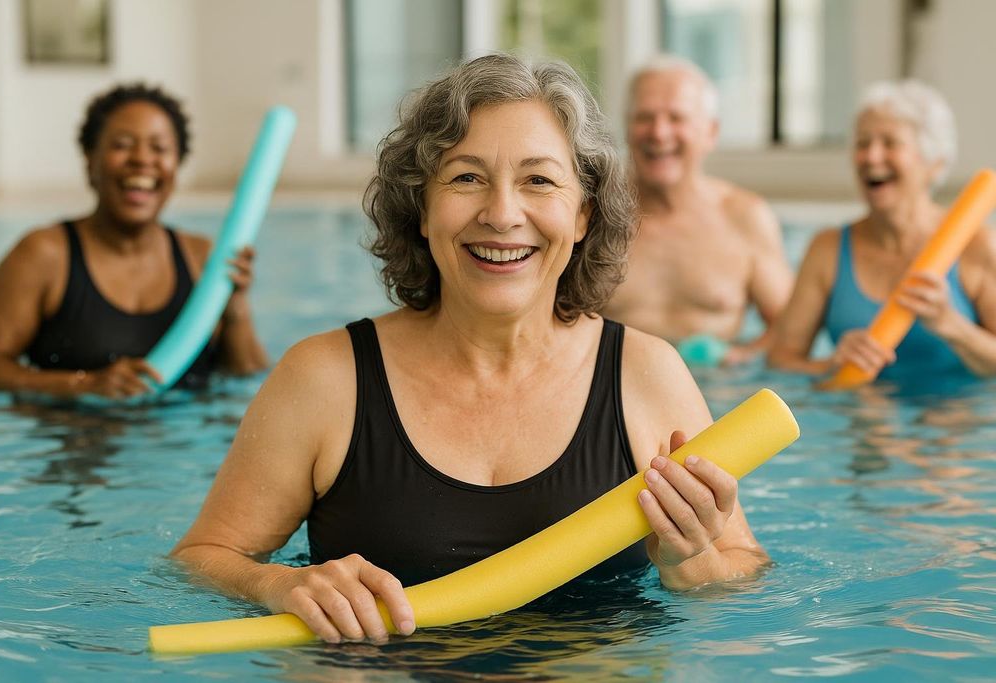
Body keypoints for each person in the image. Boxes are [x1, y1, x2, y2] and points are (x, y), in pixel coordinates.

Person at [171, 54, 769, 645]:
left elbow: (744, 575)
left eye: (538, 180)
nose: (502, 213)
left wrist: (690, 563)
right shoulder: (326, 378)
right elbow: (201, 559)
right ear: (422, 209)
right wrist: (277, 584)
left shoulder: (646, 374)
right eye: (466, 177)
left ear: (583, 213)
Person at [0, 83, 268, 398]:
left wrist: (236, 308)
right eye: (122, 145)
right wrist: (83, 385)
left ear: (176, 166)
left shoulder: (202, 257)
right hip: (76, 440)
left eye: (159, 148)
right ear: (90, 161)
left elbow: (246, 378)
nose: (142, 159)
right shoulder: (45, 255)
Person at [768, 80, 996, 379]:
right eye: (863, 143)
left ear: (934, 164)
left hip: (956, 422)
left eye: (890, 143)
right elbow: (780, 362)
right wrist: (830, 366)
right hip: (861, 422)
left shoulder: (977, 245)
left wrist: (950, 324)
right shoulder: (827, 249)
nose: (871, 157)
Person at [601, 55, 793, 365]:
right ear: (626, 127)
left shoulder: (744, 217)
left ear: (711, 132)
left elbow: (792, 329)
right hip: (615, 396)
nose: (659, 133)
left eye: (676, 118)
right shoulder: (593, 215)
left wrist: (741, 357)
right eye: (644, 118)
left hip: (714, 397)